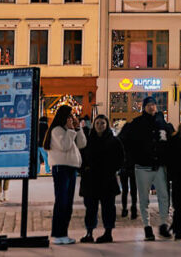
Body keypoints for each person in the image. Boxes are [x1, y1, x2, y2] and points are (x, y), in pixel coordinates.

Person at [118, 96, 171, 241]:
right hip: (142, 166)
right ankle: (147, 227)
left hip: (158, 165)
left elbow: (169, 138)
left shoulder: (161, 123)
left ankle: (163, 224)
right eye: (149, 105)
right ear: (144, 107)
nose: (152, 107)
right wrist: (131, 158)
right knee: (144, 199)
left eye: (154, 105)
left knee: (163, 196)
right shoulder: (137, 123)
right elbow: (124, 140)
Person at [44, 105, 87, 245]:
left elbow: (82, 144)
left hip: (71, 168)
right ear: (64, 116)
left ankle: (64, 233)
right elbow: (65, 146)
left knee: (68, 203)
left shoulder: (69, 131)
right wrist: (70, 130)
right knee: (61, 202)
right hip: (61, 169)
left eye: (73, 116)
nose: (72, 119)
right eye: (70, 116)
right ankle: (58, 234)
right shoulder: (57, 130)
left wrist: (78, 129)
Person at [79, 115, 123, 244]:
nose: (100, 126)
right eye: (97, 123)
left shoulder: (114, 141)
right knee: (90, 208)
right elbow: (81, 157)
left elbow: (120, 158)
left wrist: (112, 169)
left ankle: (108, 232)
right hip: (91, 180)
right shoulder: (87, 140)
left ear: (107, 125)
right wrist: (83, 170)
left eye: (102, 123)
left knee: (108, 207)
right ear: (94, 125)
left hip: (107, 179)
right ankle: (89, 232)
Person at [118, 124, 138, 220]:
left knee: (124, 190)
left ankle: (124, 209)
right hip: (133, 167)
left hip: (124, 167)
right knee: (134, 189)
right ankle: (134, 208)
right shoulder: (135, 140)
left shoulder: (120, 139)